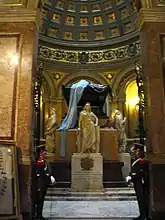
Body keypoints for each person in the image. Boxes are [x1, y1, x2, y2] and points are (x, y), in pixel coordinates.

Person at [126, 143, 151, 220]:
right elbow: (134, 170)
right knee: (140, 199)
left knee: (143, 199)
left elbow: (140, 172)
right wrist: (130, 175)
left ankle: (144, 215)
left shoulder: (142, 161)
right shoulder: (135, 160)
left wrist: (131, 176)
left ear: (139, 151)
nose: (134, 153)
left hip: (141, 183)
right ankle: (142, 214)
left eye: (135, 151)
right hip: (137, 183)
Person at [31, 145, 56, 220]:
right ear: (41, 153)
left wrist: (50, 176)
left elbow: (47, 171)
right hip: (39, 184)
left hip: (43, 184)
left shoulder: (44, 161)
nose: (45, 154)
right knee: (37, 200)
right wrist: (49, 177)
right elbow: (41, 173)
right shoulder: (39, 162)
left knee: (41, 200)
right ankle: (36, 215)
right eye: (44, 153)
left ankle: (39, 215)